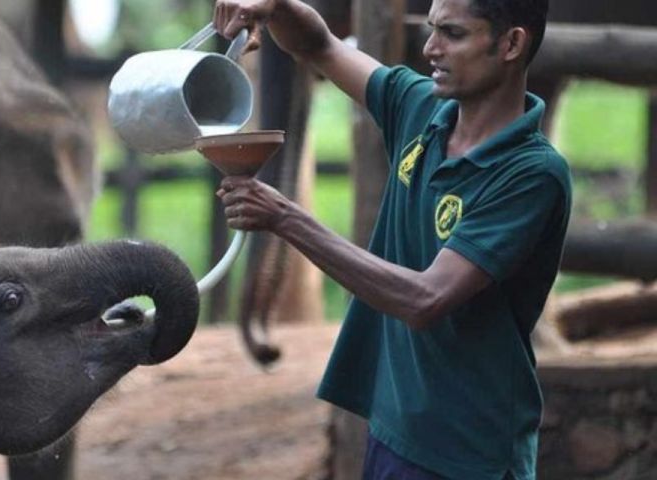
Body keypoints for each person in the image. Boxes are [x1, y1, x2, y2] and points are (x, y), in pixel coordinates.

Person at [212, 0, 570, 479]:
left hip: (468, 450)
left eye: (453, 34)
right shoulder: (421, 108)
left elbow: (425, 298)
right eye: (431, 30)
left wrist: (285, 218)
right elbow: (319, 46)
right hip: (393, 430)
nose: (430, 48)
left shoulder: (531, 174)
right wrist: (275, 6)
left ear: (511, 44)